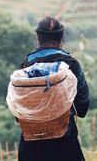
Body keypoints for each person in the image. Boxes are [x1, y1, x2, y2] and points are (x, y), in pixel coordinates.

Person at [18, 16, 90, 161]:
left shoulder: (27, 65)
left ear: (38, 38)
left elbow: (18, 112)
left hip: (31, 146)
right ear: (61, 39)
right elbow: (82, 107)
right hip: (64, 144)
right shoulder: (71, 64)